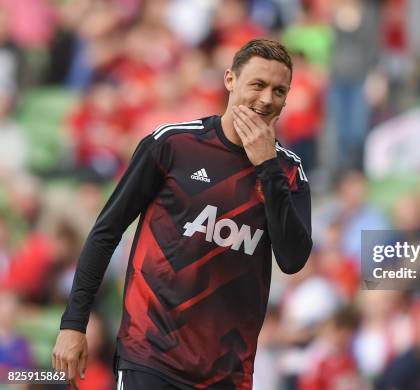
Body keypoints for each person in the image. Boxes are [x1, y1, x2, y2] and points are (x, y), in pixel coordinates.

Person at [52, 39, 313, 390]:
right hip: (150, 356)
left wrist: (267, 167)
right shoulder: (173, 145)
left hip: (227, 372)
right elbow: (106, 232)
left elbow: (293, 258)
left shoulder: (288, 171)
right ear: (229, 80)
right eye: (257, 84)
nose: (267, 99)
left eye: (279, 90)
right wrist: (73, 323)